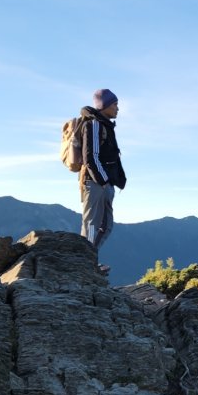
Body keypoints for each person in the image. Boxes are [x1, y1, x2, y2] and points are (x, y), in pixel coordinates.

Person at [80, 88, 127, 273]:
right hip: (95, 183)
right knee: (91, 225)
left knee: (106, 225)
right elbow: (90, 157)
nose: (117, 108)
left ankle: (88, 260)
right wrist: (104, 181)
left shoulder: (104, 125)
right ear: (105, 105)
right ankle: (85, 263)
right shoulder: (94, 125)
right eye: (115, 104)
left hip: (104, 183)